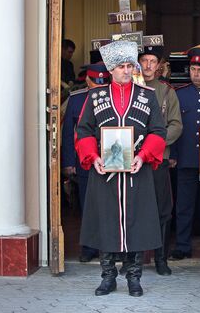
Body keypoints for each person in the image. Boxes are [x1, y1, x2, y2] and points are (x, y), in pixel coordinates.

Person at [75, 40, 167, 297]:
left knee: (136, 223)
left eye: (130, 65)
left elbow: (158, 131)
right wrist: (92, 157)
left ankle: (134, 278)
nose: (127, 71)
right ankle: (108, 277)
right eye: (121, 66)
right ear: (111, 69)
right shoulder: (95, 97)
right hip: (104, 172)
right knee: (106, 223)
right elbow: (83, 131)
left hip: (138, 171)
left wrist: (144, 155)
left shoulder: (147, 96)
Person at [135, 45, 183, 275]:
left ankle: (161, 259)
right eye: (144, 60)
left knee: (162, 211)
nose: (148, 65)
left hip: (156, 160)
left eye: (152, 61)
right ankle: (132, 260)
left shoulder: (165, 92)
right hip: (131, 160)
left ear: (159, 65)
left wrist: (156, 146)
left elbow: (176, 124)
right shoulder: (130, 88)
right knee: (133, 209)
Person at [61, 62, 110, 263]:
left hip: (110, 159)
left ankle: (108, 247)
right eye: (95, 83)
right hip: (85, 161)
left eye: (103, 83)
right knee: (87, 206)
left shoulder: (113, 96)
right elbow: (67, 134)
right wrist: (69, 162)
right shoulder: (77, 99)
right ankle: (89, 248)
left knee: (108, 206)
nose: (99, 87)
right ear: (87, 80)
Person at [170, 45, 200, 260]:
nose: (196, 73)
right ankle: (183, 245)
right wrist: (174, 155)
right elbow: (175, 126)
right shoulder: (180, 94)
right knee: (184, 206)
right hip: (186, 159)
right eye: (193, 69)